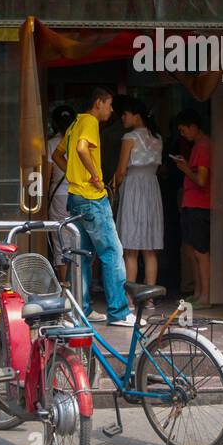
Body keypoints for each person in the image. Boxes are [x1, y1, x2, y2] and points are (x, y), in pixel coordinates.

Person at [52, 87, 136, 327]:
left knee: (84, 256)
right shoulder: (89, 121)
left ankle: (82, 309)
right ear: (98, 102)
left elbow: (58, 156)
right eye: (109, 105)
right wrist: (94, 175)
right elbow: (81, 148)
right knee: (112, 252)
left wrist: (73, 173)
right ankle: (119, 312)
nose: (111, 110)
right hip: (91, 197)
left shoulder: (75, 122)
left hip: (75, 197)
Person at [112, 98, 164, 304]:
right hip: (152, 188)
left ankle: (129, 298)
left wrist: (113, 186)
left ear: (136, 115)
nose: (123, 118)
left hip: (133, 188)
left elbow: (121, 170)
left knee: (131, 248)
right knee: (150, 249)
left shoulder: (129, 137)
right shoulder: (158, 138)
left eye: (125, 114)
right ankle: (149, 298)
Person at [172, 109, 211, 306]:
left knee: (200, 252)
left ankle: (205, 295)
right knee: (192, 251)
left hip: (200, 205)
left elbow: (202, 180)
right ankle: (198, 292)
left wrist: (185, 169)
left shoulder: (204, 146)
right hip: (192, 204)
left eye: (183, 129)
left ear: (194, 126)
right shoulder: (198, 145)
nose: (182, 133)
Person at [46, 103, 78, 261]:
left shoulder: (52, 144)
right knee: (79, 239)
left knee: (60, 238)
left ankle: (64, 281)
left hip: (58, 195)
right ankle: (81, 281)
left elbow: (47, 174)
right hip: (78, 193)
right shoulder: (80, 142)